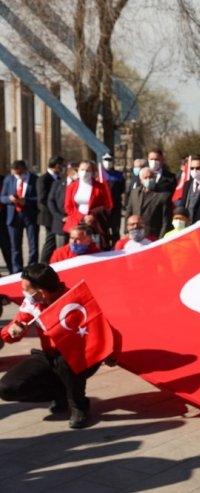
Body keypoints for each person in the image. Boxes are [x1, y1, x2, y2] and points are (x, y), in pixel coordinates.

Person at [0, 264, 112, 428]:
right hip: (49, 355)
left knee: (64, 362)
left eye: (26, 289)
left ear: (41, 292)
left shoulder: (74, 301)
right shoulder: (32, 304)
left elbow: (103, 327)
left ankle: (79, 406)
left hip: (80, 358)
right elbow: (11, 332)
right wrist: (13, 330)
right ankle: (61, 393)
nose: (23, 293)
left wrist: (112, 355)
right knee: (7, 388)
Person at [63, 160, 113, 250]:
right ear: (78, 171)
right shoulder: (71, 187)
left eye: (88, 170)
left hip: (95, 224)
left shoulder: (100, 187)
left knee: (95, 249)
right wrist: (82, 217)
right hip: (76, 223)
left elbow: (108, 205)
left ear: (93, 172)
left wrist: (93, 215)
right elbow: (68, 206)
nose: (84, 173)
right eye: (82, 170)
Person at [0, 160, 39, 273]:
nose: (18, 175)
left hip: (30, 216)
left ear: (24, 170)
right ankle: (16, 270)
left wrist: (25, 201)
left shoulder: (34, 179)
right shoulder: (9, 179)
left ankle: (33, 269)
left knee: (33, 246)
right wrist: (10, 199)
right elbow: (2, 197)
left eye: (19, 173)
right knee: (15, 246)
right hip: (13, 216)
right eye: (15, 173)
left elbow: (39, 199)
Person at [126, 167, 172, 238]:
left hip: (153, 236)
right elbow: (129, 212)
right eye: (146, 178)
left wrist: (161, 239)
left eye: (151, 177)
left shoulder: (164, 196)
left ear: (155, 178)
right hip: (135, 234)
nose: (149, 180)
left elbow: (166, 221)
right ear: (141, 180)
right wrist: (126, 231)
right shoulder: (134, 193)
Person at [38, 156, 64, 263]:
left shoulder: (58, 179)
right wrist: (54, 211)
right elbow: (42, 198)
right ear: (56, 165)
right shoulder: (44, 179)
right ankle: (43, 262)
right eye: (61, 165)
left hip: (56, 215)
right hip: (48, 215)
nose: (62, 168)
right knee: (50, 240)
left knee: (53, 240)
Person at [100, 152, 125, 243]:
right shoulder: (99, 175)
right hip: (102, 208)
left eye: (109, 159)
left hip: (115, 207)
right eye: (106, 160)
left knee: (115, 230)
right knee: (103, 230)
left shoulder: (119, 175)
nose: (108, 162)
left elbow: (122, 189)